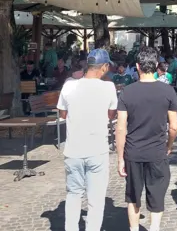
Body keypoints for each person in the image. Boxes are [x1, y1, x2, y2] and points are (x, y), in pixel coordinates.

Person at [116, 47, 177, 231]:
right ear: (156, 66)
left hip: (133, 151)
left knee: (133, 195)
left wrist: (120, 157)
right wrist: (169, 145)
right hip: (157, 150)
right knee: (157, 193)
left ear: (137, 67)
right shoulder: (168, 91)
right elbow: (174, 127)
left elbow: (120, 128)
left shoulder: (127, 92)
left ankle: (134, 228)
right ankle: (154, 228)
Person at [57, 49, 118, 231]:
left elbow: (62, 113)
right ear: (104, 67)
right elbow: (111, 114)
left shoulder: (69, 86)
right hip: (97, 149)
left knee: (73, 194)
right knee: (96, 198)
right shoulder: (109, 87)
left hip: (73, 149)